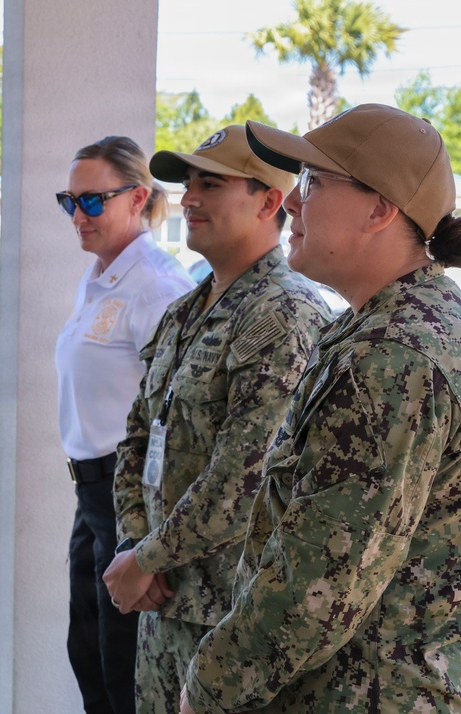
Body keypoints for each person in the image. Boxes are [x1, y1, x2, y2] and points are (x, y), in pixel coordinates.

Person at [180, 103, 461, 713]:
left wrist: (205, 689)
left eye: (314, 183)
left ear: (381, 209)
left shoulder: (392, 356)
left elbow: (312, 592)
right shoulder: (394, 322)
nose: (294, 203)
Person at [101, 125, 332, 714]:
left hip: (230, 622)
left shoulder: (285, 313)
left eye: (211, 183)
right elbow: (136, 437)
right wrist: (133, 542)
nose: (188, 199)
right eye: (188, 183)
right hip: (164, 605)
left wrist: (145, 558)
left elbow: (245, 479)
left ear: (268, 201)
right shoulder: (185, 311)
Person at [55, 136, 194, 714]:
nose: (78, 216)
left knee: (124, 672)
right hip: (93, 493)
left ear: (138, 198)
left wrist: (149, 538)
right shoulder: (101, 277)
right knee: (89, 654)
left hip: (131, 494)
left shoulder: (158, 287)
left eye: (93, 202)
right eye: (69, 202)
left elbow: (179, 421)